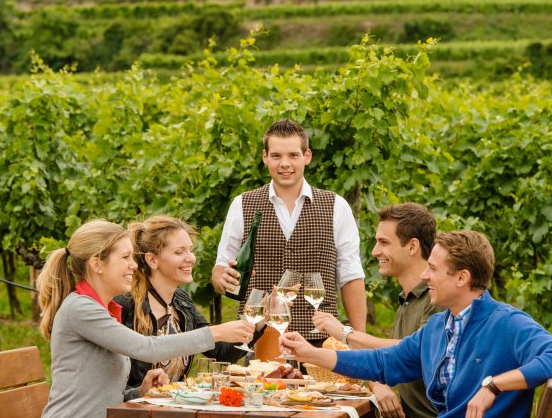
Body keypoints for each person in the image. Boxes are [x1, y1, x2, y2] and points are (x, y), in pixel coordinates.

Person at [281, 230, 552, 418]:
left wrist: (493, 385)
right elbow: (381, 363)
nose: (425, 276)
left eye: (433, 269)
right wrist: (310, 353)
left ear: (462, 278)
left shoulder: (506, 323)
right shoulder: (440, 327)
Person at [37, 220, 254, 418]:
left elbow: (102, 395)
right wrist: (216, 332)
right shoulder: (81, 309)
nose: (133, 264)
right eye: (125, 257)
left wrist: (139, 392)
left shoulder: (99, 309)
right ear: (97, 264)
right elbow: (146, 347)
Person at [212, 118, 367, 350]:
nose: (285, 163)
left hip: (321, 342)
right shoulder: (242, 204)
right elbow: (219, 271)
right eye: (276, 156)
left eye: (293, 155)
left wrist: (359, 343)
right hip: (259, 339)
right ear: (265, 157)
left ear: (307, 156)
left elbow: (351, 276)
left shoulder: (337, 206)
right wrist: (222, 279)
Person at [314, 202, 442, 418]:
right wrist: (378, 382)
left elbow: (414, 350)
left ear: (412, 247)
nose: (374, 252)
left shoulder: (437, 298)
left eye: (384, 242)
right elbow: (392, 359)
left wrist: (346, 334)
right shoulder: (407, 299)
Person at [115, 215, 263, 388]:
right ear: (152, 260)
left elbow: (223, 353)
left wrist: (260, 318)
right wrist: (216, 331)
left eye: (190, 250)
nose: (191, 258)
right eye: (179, 252)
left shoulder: (182, 302)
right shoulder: (125, 304)